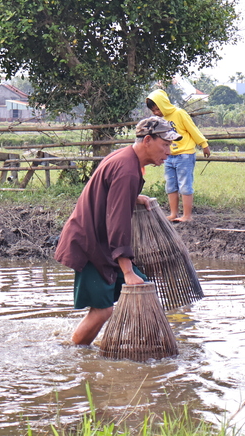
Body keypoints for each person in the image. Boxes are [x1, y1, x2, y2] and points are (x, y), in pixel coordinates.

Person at [54, 116, 181, 345]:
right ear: (148, 141)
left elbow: (110, 197)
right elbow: (118, 221)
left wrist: (133, 197)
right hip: (91, 245)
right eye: (165, 144)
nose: (168, 152)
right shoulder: (127, 170)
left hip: (102, 243)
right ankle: (74, 354)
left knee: (143, 292)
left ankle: (127, 344)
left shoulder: (127, 159)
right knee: (102, 311)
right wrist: (127, 270)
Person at [145, 89, 211, 222]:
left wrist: (204, 144)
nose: (156, 113)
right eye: (154, 111)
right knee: (170, 185)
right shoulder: (160, 120)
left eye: (158, 109)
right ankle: (173, 214)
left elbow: (193, 129)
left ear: (163, 104)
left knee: (185, 185)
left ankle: (187, 216)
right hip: (169, 156)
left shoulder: (179, 113)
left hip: (185, 155)